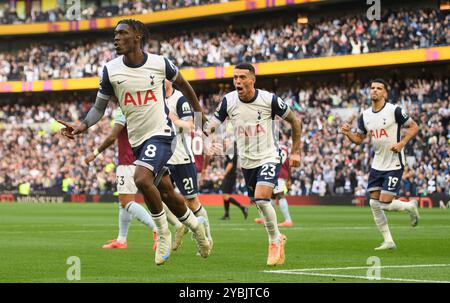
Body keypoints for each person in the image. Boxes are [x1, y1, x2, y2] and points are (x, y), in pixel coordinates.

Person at [60, 19, 210, 265]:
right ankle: (198, 229)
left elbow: (185, 85)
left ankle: (162, 232)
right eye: (114, 34)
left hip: (162, 133)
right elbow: (99, 108)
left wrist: (198, 116)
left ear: (137, 36)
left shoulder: (160, 63)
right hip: (138, 141)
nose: (116, 38)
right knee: (167, 193)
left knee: (141, 179)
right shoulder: (110, 70)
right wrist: (81, 126)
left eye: (122, 33)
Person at [204, 62, 302, 266]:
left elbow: (295, 121)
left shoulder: (269, 100)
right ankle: (278, 237)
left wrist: (295, 151)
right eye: (235, 78)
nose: (237, 81)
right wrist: (207, 142)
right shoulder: (228, 101)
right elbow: (210, 126)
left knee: (262, 197)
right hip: (247, 162)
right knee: (259, 203)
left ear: (252, 80)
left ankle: (274, 241)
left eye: (242, 77)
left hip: (269, 156)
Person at [341, 78, 420, 251]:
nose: (375, 91)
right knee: (373, 203)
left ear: (385, 93)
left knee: (384, 203)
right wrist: (348, 133)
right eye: (372, 88)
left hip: (394, 162)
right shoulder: (365, 116)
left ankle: (409, 206)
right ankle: (389, 241)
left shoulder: (395, 111)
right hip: (377, 164)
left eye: (379, 88)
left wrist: (401, 144)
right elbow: (359, 139)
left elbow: (414, 127)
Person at [84, 106, 158, 250]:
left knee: (126, 202)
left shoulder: (124, 108)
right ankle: (121, 239)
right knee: (123, 202)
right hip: (139, 160)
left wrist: (95, 153)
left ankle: (158, 229)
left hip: (128, 162)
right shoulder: (142, 107)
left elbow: (113, 136)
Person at [164, 80, 213, 250]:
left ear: (170, 80)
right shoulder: (156, 99)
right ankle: (179, 224)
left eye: (163, 77)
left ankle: (207, 238)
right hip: (164, 157)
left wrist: (172, 120)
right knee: (161, 196)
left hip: (182, 158)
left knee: (192, 202)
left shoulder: (179, 99)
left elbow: (190, 125)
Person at [254, 143, 293, 226]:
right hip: (280, 173)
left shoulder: (272, 146)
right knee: (272, 196)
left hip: (276, 173)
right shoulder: (285, 148)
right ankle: (266, 218)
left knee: (280, 195)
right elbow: (288, 163)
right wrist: (289, 177)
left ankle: (288, 220)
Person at [217, 139, 248, 220]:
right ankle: (227, 214)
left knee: (226, 196)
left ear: (230, 142)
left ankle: (242, 207)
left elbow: (230, 164)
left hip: (230, 175)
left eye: (226, 141)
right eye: (224, 142)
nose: (225, 143)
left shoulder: (231, 150)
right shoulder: (230, 150)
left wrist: (224, 174)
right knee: (225, 195)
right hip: (231, 175)